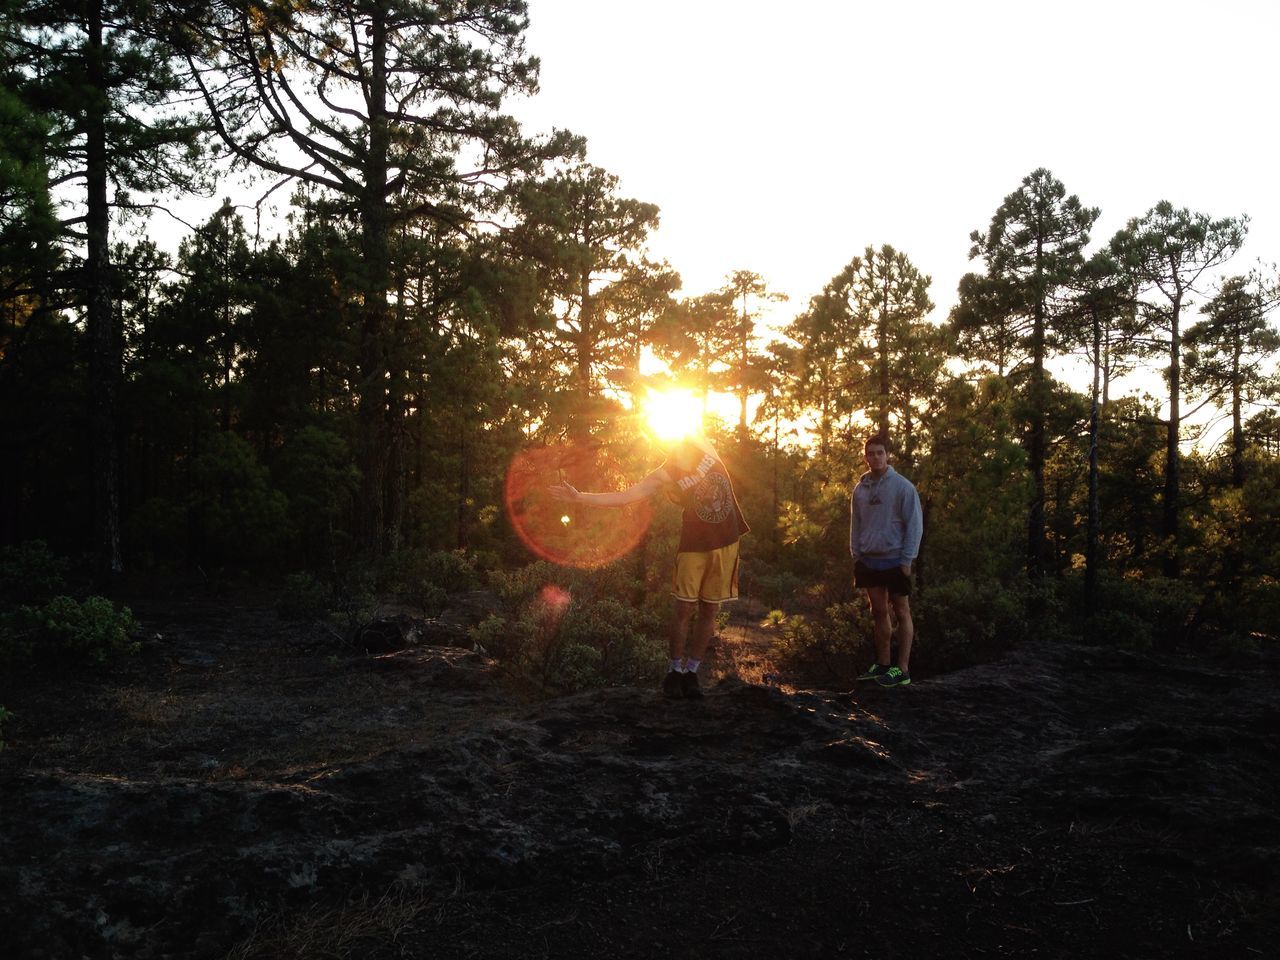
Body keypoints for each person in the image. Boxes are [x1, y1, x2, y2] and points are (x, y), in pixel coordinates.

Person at [549, 433, 749, 699]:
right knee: (684, 608)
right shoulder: (664, 473)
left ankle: (692, 673)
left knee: (710, 609)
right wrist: (579, 497)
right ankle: (674, 671)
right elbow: (625, 497)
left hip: (725, 541)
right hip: (694, 544)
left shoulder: (703, 445)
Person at [849, 432, 922, 688]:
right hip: (869, 560)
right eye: (871, 453)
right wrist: (856, 554)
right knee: (878, 611)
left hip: (895, 559)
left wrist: (907, 559)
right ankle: (882, 664)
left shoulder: (903, 487)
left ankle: (902, 669)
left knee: (901, 611)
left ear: (887, 455)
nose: (875, 457)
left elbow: (914, 525)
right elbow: (856, 524)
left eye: (880, 452)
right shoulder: (860, 489)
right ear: (865, 457)